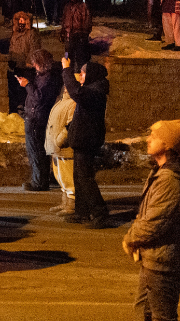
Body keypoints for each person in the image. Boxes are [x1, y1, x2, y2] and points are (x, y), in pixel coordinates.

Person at [122, 120, 180, 321]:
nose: (148, 139)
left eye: (154, 136)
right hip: (153, 256)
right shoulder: (159, 172)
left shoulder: (170, 180)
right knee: (145, 311)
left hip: (163, 260)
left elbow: (155, 222)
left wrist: (130, 238)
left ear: (168, 145)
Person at [61, 56, 111, 228]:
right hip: (82, 138)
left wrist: (66, 70)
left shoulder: (95, 91)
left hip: (87, 140)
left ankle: (100, 213)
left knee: (85, 178)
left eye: (82, 73)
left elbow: (76, 93)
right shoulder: (92, 88)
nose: (80, 76)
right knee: (79, 177)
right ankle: (82, 212)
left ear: (90, 75)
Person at [17, 49, 63, 192]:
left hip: (37, 118)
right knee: (40, 150)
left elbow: (38, 98)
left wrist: (27, 85)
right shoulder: (45, 76)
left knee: (36, 150)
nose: (33, 65)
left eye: (35, 63)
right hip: (36, 116)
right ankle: (44, 178)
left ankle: (39, 181)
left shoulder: (48, 78)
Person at [45, 87, 77, 216]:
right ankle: (65, 202)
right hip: (56, 147)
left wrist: (60, 140)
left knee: (68, 177)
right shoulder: (61, 101)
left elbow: (70, 125)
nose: (65, 88)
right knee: (60, 176)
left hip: (64, 147)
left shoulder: (73, 103)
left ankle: (72, 205)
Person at [60, 0, 93, 67]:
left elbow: (87, 22)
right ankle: (68, 74)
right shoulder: (67, 6)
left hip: (79, 37)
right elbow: (64, 20)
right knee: (68, 59)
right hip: (69, 37)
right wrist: (63, 32)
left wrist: (84, 35)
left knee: (80, 60)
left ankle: (80, 76)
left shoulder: (83, 6)